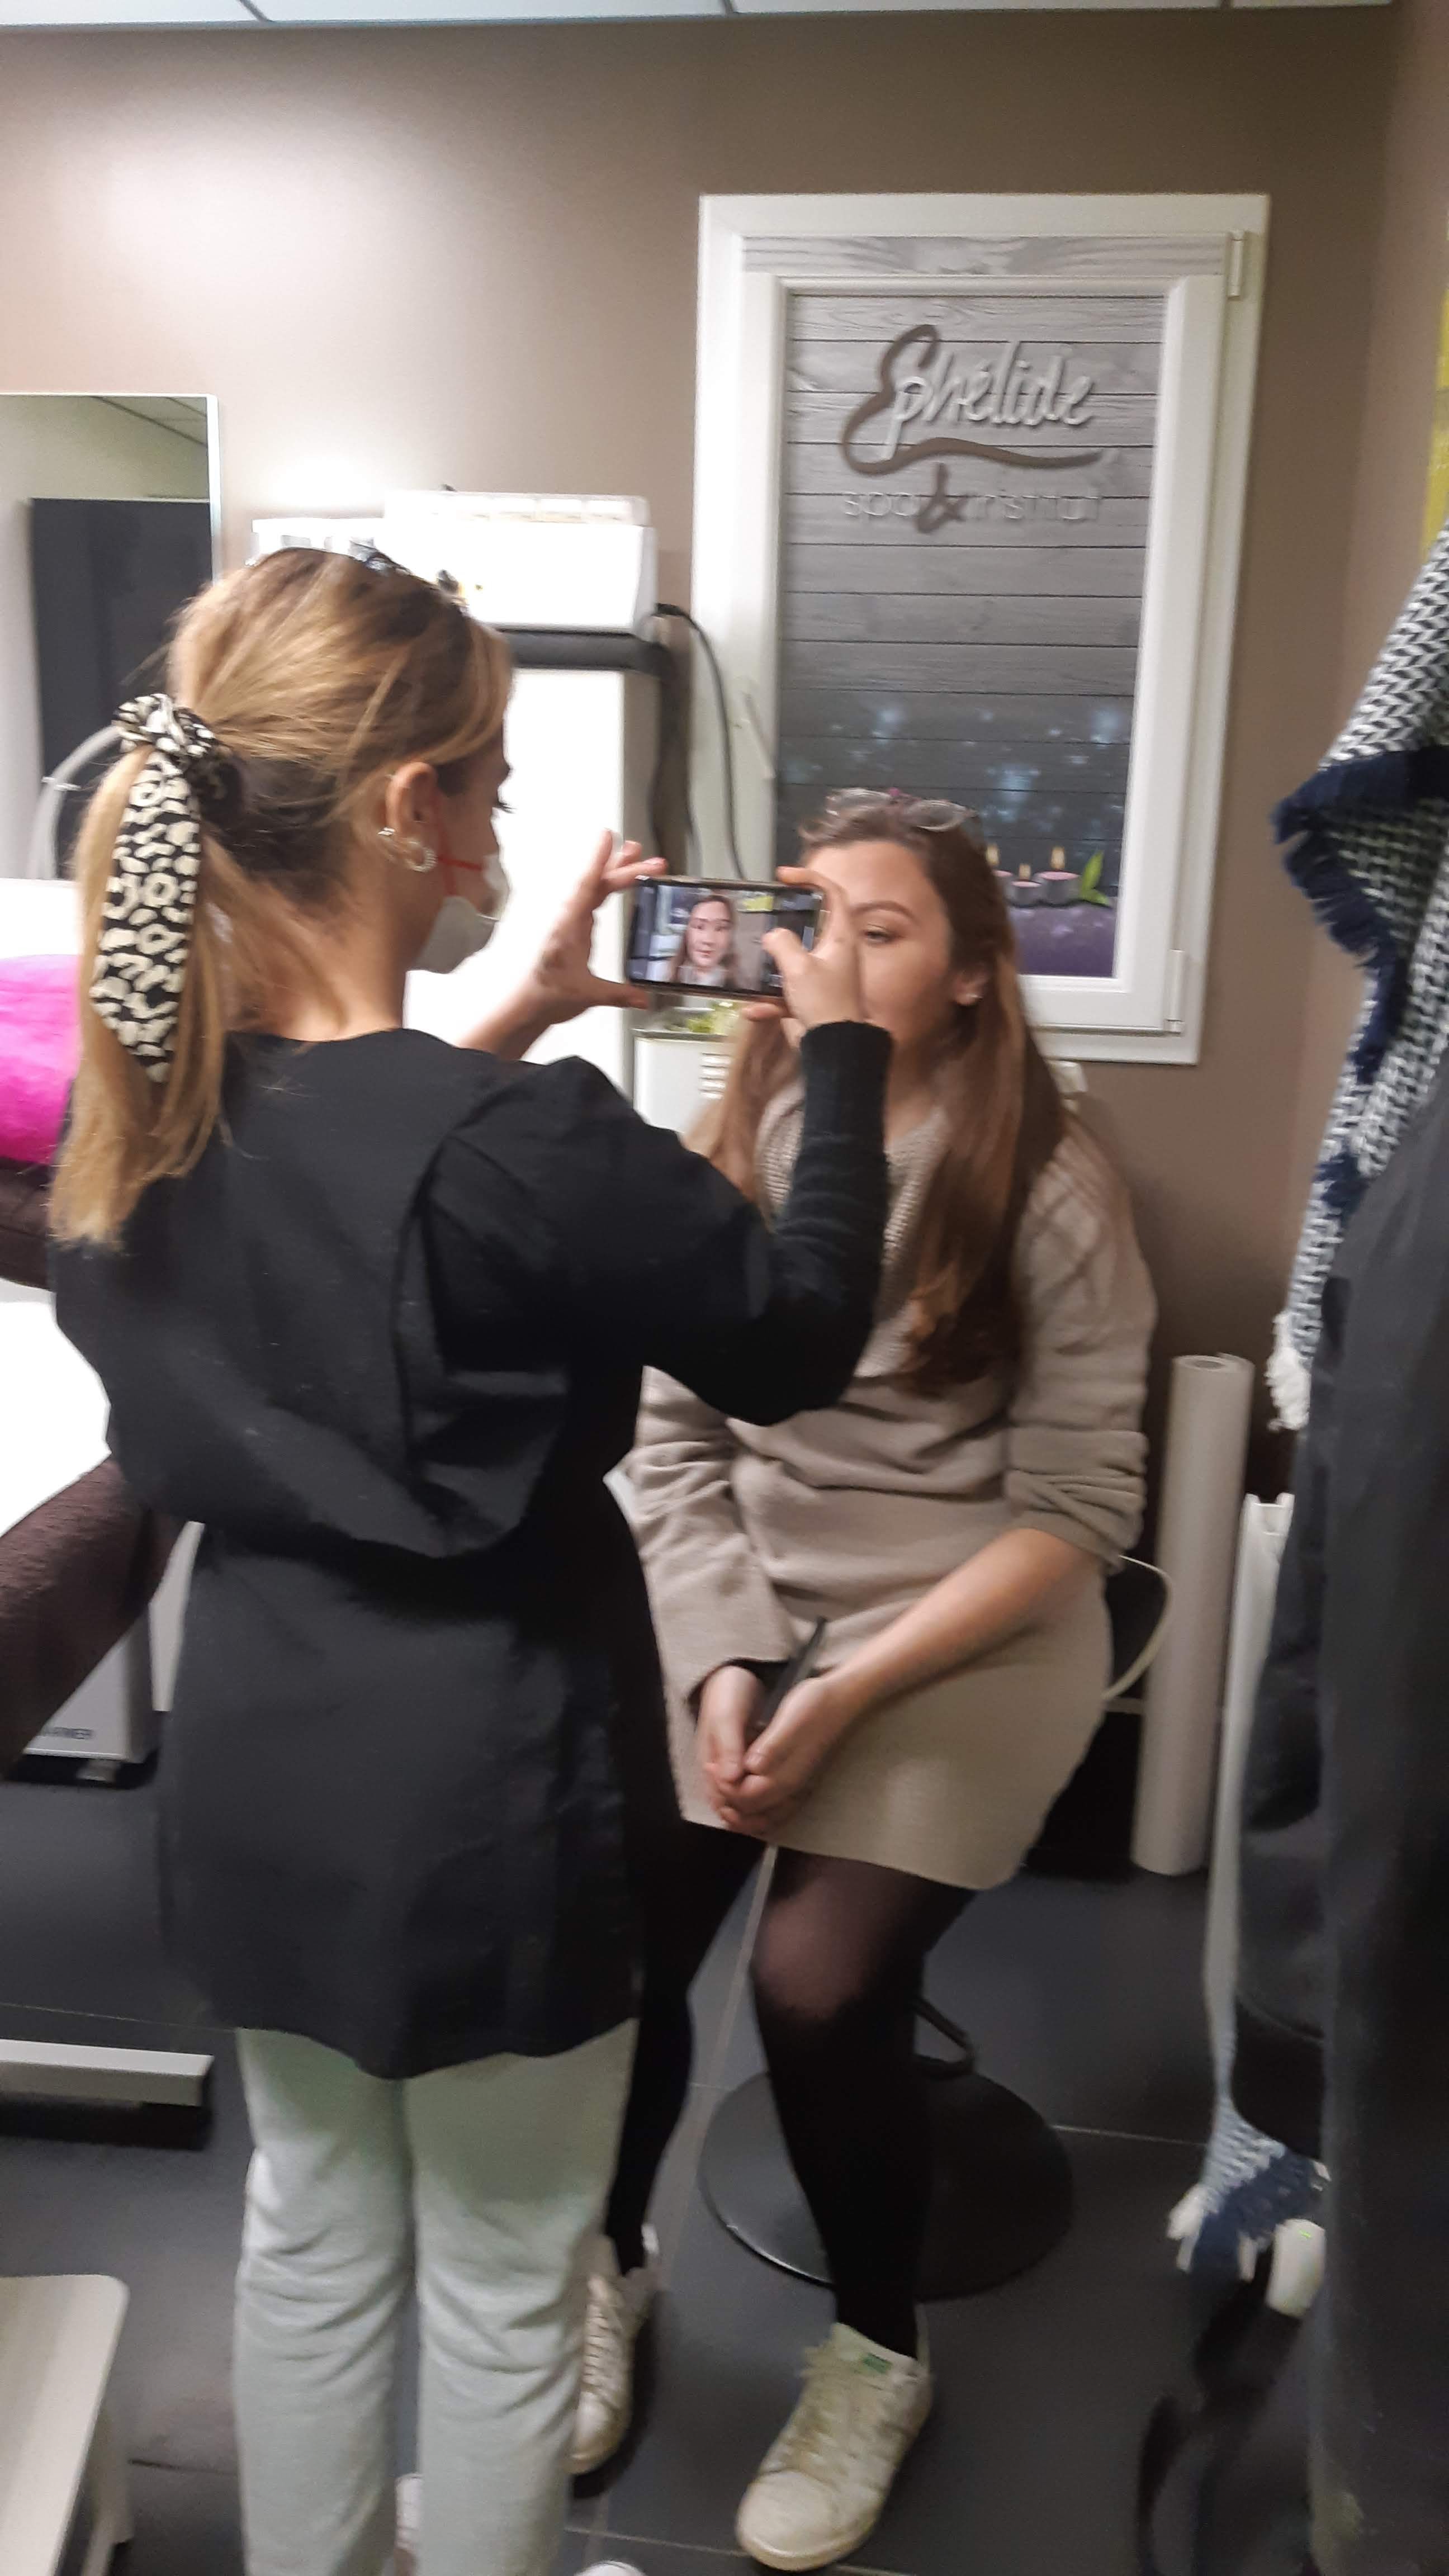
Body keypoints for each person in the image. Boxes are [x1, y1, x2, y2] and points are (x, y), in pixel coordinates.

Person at [48, 549, 892, 2576]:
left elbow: (373, 1188)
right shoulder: (531, 1147)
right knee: (513, 2278)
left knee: (309, 2235)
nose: (505, 820)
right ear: (406, 810)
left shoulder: (143, 1117)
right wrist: (847, 1057)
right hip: (489, 1792)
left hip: (262, 1763)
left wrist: (525, 1005)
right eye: (493, 781)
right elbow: (792, 1339)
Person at [581, 791, 1156, 2573]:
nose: (823, 953)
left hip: (963, 1620)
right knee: (617, 1934)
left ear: (976, 975)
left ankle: (875, 2356)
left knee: (818, 1987)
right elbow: (671, 1441)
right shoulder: (742, 1124)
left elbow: (1079, 1513)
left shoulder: (1047, 1177)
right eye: (810, 916)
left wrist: (838, 1695)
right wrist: (726, 1657)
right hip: (751, 1587)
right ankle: (604, 2265)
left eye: (879, 929)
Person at [669, 888, 738, 987]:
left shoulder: (741, 988)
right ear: (687, 932)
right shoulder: (664, 980)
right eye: (699, 927)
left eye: (720, 928)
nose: (708, 940)